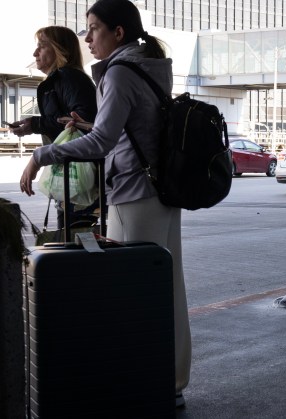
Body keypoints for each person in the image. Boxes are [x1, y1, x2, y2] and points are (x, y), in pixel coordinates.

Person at [19, 0, 191, 407]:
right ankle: (171, 380)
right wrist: (90, 124)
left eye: (94, 28)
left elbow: (103, 143)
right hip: (161, 192)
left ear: (118, 33)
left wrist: (41, 156)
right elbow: (130, 128)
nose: (87, 37)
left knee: (133, 293)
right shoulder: (150, 66)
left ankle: (144, 380)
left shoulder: (118, 72)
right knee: (168, 287)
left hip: (133, 193)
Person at [10, 26, 98, 228]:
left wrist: (36, 125)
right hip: (71, 170)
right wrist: (34, 124)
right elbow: (64, 122)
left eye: (41, 47)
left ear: (60, 50)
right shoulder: (61, 80)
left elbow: (82, 122)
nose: (35, 53)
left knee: (76, 239)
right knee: (73, 236)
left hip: (79, 173)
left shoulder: (69, 78)